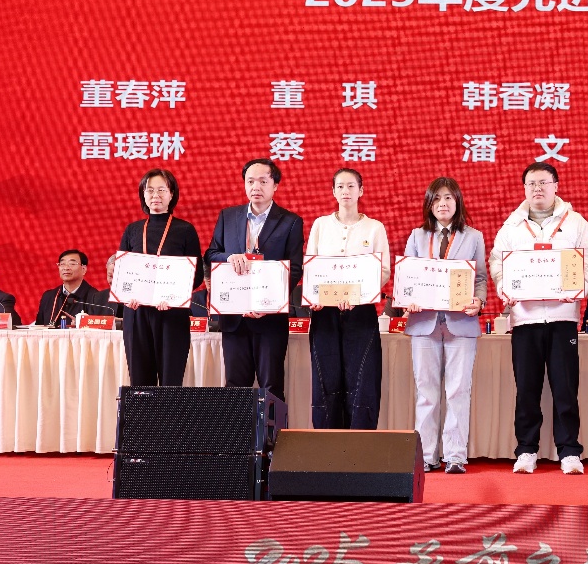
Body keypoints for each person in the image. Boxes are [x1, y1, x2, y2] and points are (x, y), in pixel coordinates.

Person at [489, 161, 588, 475]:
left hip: (563, 317)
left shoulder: (575, 223)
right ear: (524, 189)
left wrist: (580, 288)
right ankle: (526, 450)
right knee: (527, 389)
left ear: (555, 186)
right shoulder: (511, 226)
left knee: (565, 388)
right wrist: (505, 289)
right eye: (532, 184)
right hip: (525, 319)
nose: (537, 188)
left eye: (543, 183)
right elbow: (498, 263)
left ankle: (570, 451)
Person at [402, 178, 487, 474]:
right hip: (424, 322)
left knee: (458, 390)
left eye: (449, 198)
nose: (443, 203)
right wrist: (408, 299)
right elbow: (407, 277)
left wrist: (479, 301)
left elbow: (479, 278)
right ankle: (426, 456)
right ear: (429, 203)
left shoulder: (473, 237)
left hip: (461, 322)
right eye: (436, 198)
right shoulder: (417, 236)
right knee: (426, 392)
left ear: (458, 202)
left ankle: (455, 455)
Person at [205, 158, 304, 400]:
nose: (255, 187)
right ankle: (237, 428)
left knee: (271, 387)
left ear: (275, 185)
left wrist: (269, 303)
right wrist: (229, 257)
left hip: (270, 320)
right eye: (250, 181)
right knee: (235, 387)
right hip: (234, 319)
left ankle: (272, 428)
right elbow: (211, 254)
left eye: (262, 181)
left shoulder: (290, 221)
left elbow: (295, 268)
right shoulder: (228, 216)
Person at [306, 167, 390, 429]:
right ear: (333, 192)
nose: (345, 191)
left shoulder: (374, 228)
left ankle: (360, 442)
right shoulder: (321, 225)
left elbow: (383, 270)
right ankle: (327, 440)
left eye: (351, 186)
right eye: (340, 186)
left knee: (362, 378)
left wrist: (358, 296)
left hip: (361, 312)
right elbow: (311, 266)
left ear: (361, 191)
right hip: (325, 313)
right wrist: (315, 296)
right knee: (326, 378)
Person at [118, 169, 203, 386]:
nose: (155, 195)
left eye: (161, 190)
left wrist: (173, 297)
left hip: (171, 313)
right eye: (150, 190)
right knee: (140, 383)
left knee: (170, 382)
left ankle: (169, 412)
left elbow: (197, 274)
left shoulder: (185, 230)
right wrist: (127, 296)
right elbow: (122, 272)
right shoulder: (132, 230)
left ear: (172, 194)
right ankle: (142, 412)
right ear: (143, 194)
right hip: (136, 312)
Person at [34, 250, 107, 326]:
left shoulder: (95, 298)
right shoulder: (49, 296)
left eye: (72, 264)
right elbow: (38, 327)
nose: (66, 268)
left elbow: (100, 328)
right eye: (62, 264)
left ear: (83, 269)